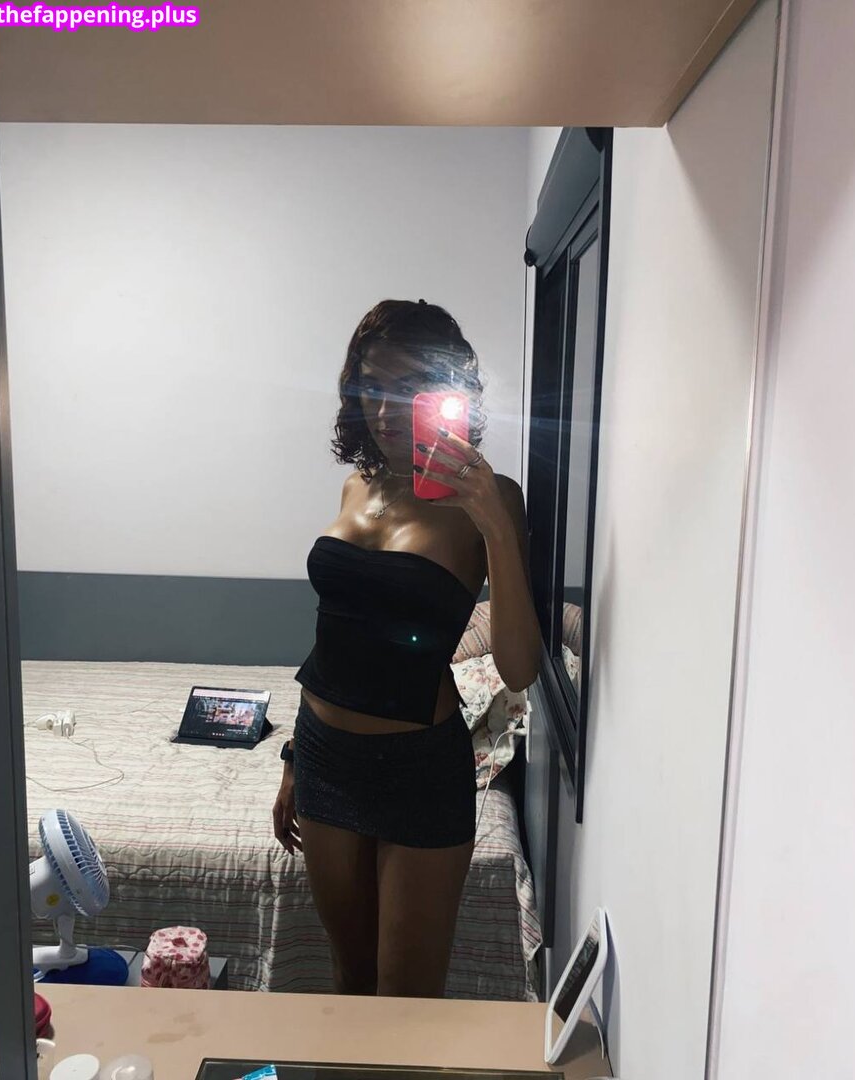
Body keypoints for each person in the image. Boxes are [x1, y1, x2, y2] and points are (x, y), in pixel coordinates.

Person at [272, 298, 541, 998]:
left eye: (409, 386)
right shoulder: (354, 485)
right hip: (325, 757)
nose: (387, 410)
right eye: (372, 386)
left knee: (407, 1004)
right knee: (350, 980)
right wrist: (295, 758)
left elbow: (518, 668)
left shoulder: (493, 499)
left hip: (419, 769)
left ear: (448, 391)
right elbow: (335, 635)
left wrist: (494, 524)